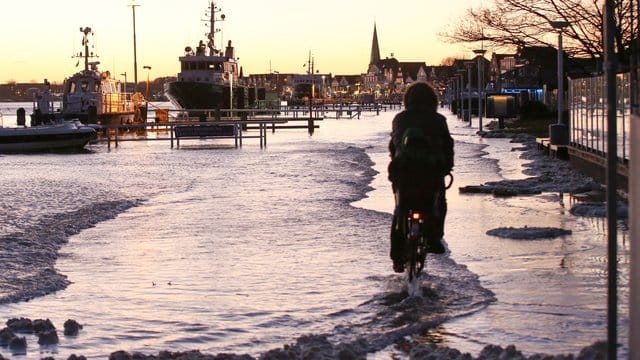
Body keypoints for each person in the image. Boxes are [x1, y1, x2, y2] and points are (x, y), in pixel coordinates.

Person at [387, 82, 454, 273]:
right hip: (431, 173)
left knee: (400, 210)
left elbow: (394, 145)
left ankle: (397, 257)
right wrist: (447, 166)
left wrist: (395, 164)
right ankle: (434, 239)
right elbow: (448, 146)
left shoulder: (400, 119)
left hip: (404, 172)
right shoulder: (438, 120)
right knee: (438, 202)